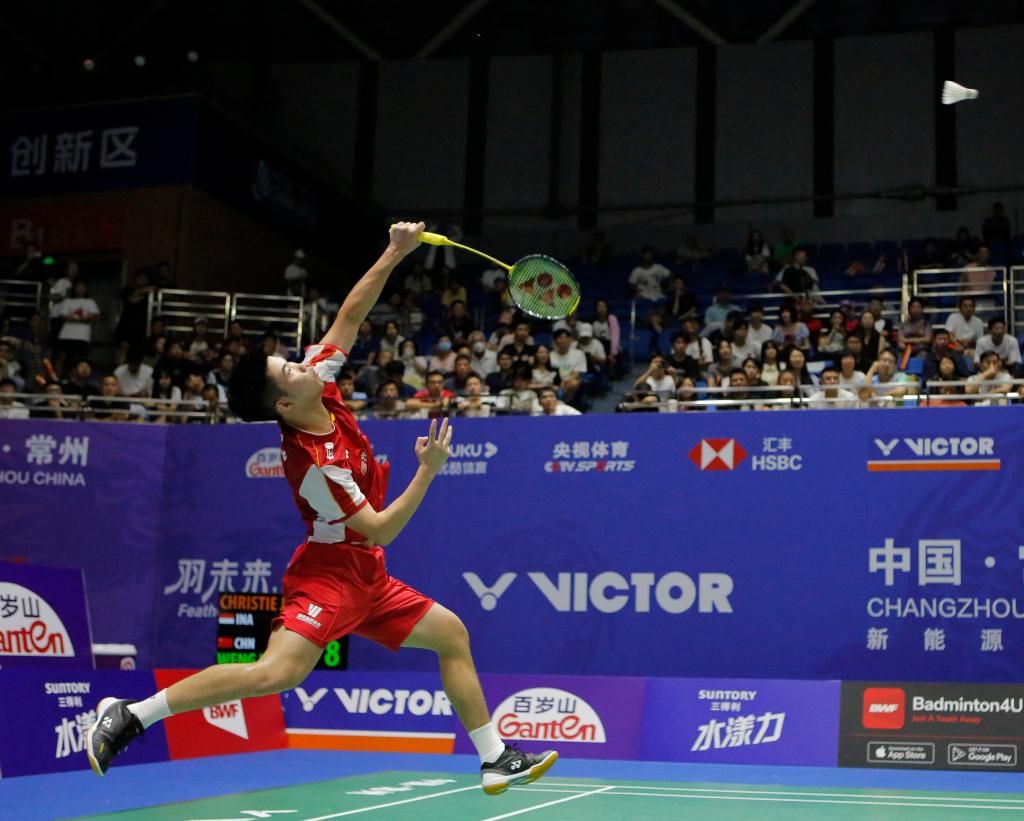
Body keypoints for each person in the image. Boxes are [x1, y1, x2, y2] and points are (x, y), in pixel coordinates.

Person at [87, 222, 557, 794]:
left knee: (451, 634)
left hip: (366, 575)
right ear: (284, 404)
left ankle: (495, 757)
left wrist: (395, 252)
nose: (303, 364)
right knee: (275, 673)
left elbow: (350, 316)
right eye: (290, 370)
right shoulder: (316, 464)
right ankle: (132, 714)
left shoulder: (319, 384)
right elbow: (380, 529)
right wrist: (428, 471)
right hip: (330, 577)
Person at [53, 279, 101, 373]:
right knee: (63, 359)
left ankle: (76, 377)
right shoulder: (67, 301)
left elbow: (96, 315)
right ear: (74, 288)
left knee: (78, 360)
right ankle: (61, 377)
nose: (80, 288)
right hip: (66, 335)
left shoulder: (90, 302)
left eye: (83, 286)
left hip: (82, 336)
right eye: (78, 286)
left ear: (86, 288)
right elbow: (62, 316)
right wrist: (82, 318)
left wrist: (76, 318)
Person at [548, 328, 586, 406]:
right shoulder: (550, 355)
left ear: (570, 340)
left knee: (574, 383)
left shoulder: (579, 354)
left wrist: (564, 382)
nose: (563, 340)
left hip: (570, 380)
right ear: (555, 341)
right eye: (560, 338)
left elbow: (576, 374)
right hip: (554, 381)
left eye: (565, 337)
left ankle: (561, 404)